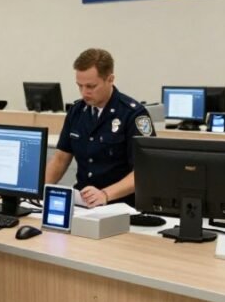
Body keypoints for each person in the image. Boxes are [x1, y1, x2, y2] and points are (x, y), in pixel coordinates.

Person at [44, 48, 154, 207]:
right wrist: (37, 191)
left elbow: (145, 172)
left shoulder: (133, 114)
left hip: (119, 206)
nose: (84, 92)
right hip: (82, 203)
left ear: (110, 79)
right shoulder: (77, 111)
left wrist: (105, 194)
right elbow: (60, 159)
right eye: (79, 86)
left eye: (91, 86)